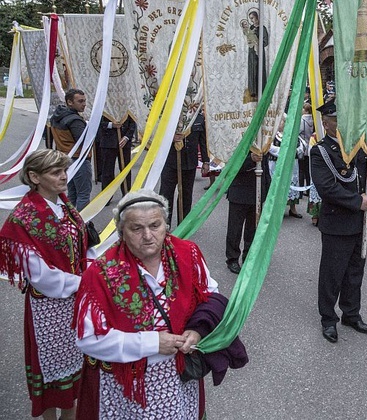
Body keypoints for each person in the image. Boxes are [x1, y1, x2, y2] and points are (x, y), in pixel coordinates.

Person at [73, 189, 244, 418]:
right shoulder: (101, 273)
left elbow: (210, 294)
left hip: (180, 375)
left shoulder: (187, 253)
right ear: (121, 232)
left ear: (166, 225)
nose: (147, 235)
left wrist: (197, 330)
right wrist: (152, 343)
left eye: (155, 225)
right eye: (136, 228)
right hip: (130, 386)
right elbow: (89, 339)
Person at [0, 149, 89, 420]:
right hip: (48, 310)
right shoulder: (22, 220)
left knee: (76, 374)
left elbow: (82, 247)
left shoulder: (64, 205)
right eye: (55, 172)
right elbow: (41, 277)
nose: (64, 176)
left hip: (74, 302)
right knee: (53, 382)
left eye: (64, 170)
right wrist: (86, 281)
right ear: (34, 177)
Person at [310, 99, 367, 343]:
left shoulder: (358, 146)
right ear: (326, 122)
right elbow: (326, 188)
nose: (342, 124)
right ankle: (328, 318)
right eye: (337, 120)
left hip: (359, 222)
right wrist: (356, 202)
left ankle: (351, 313)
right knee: (332, 273)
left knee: (355, 271)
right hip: (337, 222)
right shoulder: (320, 151)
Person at [225, 148, 271, 274]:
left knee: (253, 228)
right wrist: (250, 159)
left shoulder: (263, 141)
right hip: (239, 190)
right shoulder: (238, 137)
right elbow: (231, 164)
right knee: (235, 228)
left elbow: (265, 167)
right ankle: (232, 258)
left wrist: (266, 189)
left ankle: (248, 257)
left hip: (257, 192)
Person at [159, 114, 209, 226]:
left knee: (186, 196)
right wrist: (170, 138)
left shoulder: (198, 117)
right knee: (166, 195)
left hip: (189, 163)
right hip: (170, 163)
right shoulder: (170, 114)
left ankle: (183, 225)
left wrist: (206, 161)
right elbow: (156, 134)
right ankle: (164, 225)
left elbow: (203, 141)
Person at [50, 89, 92, 210]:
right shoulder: (74, 120)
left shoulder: (56, 117)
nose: (84, 104)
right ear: (70, 102)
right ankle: (83, 224)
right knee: (83, 194)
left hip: (65, 160)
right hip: (78, 159)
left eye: (84, 101)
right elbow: (85, 142)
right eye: (80, 101)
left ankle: (69, 223)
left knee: (72, 194)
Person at [268, 116, 307, 218]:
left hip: (291, 164)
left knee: (292, 183)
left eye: (283, 122)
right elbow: (270, 148)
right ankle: (275, 210)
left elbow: (301, 145)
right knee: (278, 184)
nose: (282, 124)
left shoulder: (292, 135)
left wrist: (295, 151)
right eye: (280, 121)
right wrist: (285, 152)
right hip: (276, 164)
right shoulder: (273, 135)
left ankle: (292, 209)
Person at [98, 115, 137, 196]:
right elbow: (98, 122)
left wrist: (127, 137)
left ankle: (126, 193)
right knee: (107, 171)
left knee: (125, 169)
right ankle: (106, 196)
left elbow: (132, 122)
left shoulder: (127, 104)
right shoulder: (104, 105)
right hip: (108, 142)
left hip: (124, 142)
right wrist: (111, 125)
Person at [242, 9, 268, 103]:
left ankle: (261, 90)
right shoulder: (251, 27)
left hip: (259, 52)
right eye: (250, 18)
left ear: (256, 17)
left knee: (259, 69)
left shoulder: (262, 28)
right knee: (252, 69)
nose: (252, 20)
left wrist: (258, 42)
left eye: (252, 18)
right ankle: (253, 91)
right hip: (252, 52)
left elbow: (266, 41)